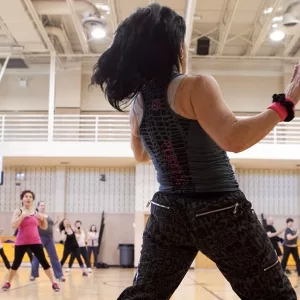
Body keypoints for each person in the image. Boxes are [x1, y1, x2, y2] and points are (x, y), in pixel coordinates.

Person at [91, 3, 300, 299]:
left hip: (167, 213)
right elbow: (235, 139)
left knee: (145, 294)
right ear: (173, 47)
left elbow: (140, 156)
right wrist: (287, 101)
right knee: (273, 295)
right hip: (220, 210)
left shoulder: (137, 104)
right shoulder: (196, 86)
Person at [2, 190, 59, 292]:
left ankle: (54, 283)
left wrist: (43, 219)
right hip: (21, 241)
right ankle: (8, 282)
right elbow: (13, 225)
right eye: (26, 196)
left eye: (30, 197)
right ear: (22, 199)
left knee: (44, 262)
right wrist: (22, 216)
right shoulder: (18, 211)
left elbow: (44, 227)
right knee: (16, 263)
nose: (28, 198)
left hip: (35, 241)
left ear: (32, 200)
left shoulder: (36, 213)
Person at [30, 201, 66, 282]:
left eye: (44, 205)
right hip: (39, 238)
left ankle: (60, 275)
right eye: (41, 205)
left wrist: (56, 221)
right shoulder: (35, 215)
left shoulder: (47, 216)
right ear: (38, 207)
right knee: (36, 257)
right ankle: (33, 275)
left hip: (50, 238)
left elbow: (50, 225)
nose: (43, 207)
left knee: (54, 257)